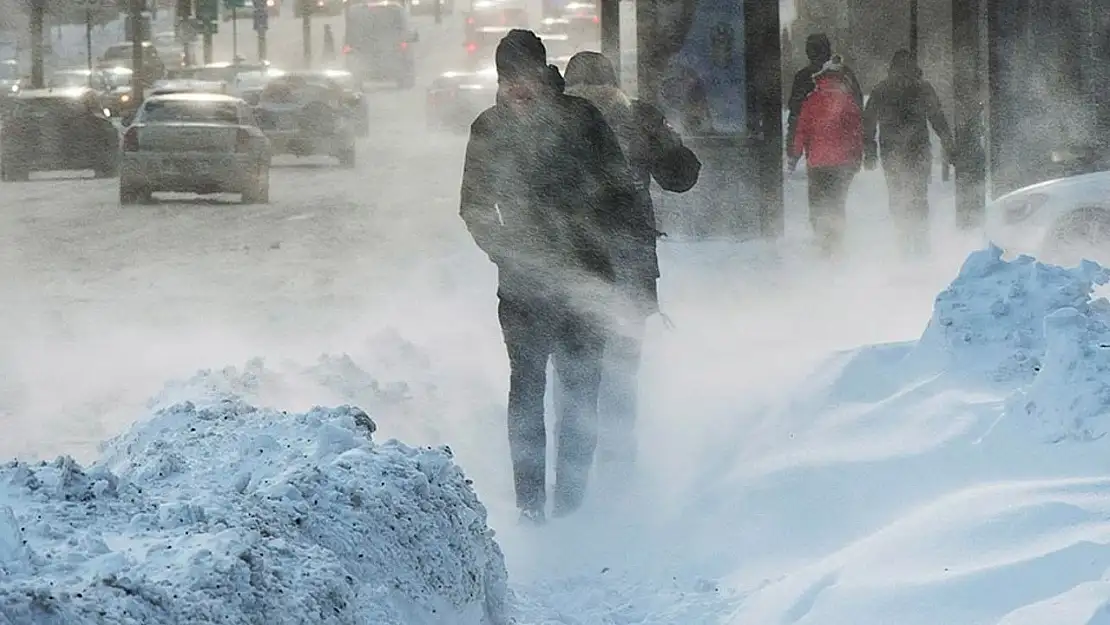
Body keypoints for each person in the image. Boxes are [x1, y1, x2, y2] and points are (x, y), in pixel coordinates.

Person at [459, 30, 639, 525]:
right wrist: (508, 253)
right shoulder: (488, 129)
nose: (517, 87)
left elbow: (621, 190)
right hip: (523, 286)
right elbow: (473, 206)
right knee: (527, 391)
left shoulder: (583, 122)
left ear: (545, 74)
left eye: (525, 76)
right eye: (506, 78)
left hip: (586, 278)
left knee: (581, 394)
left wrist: (605, 246)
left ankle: (573, 505)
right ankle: (530, 506)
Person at [562, 50, 700, 483]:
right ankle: (619, 470)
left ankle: (571, 473)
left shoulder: (554, 121)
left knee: (571, 376)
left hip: (570, 267)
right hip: (629, 267)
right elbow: (681, 176)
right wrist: (664, 135)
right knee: (621, 372)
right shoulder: (637, 119)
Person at [862, 49, 954, 256]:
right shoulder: (922, 88)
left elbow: (868, 122)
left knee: (897, 196)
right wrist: (948, 143)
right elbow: (937, 117)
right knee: (919, 197)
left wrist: (870, 150)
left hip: (891, 152)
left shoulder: (881, 89)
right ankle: (921, 243)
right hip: (918, 150)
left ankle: (903, 242)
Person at [788, 55, 865, 257]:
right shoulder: (848, 102)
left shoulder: (811, 101)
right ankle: (836, 241)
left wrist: (795, 154)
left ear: (821, 77)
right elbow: (856, 133)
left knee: (817, 203)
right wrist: (858, 157)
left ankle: (822, 240)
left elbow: (801, 130)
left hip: (817, 163)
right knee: (837, 202)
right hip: (842, 164)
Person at [786, 33, 863, 153]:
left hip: (815, 149)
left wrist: (792, 150)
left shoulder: (802, 77)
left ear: (808, 52)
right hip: (844, 147)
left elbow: (795, 116)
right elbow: (857, 107)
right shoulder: (844, 73)